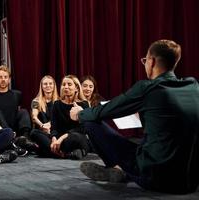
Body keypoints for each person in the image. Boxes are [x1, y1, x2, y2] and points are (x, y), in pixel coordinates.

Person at [70, 39, 199, 194]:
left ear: (151, 62)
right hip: (189, 182)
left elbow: (103, 111)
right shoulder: (193, 86)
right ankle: (123, 171)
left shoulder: (148, 88)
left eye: (145, 60)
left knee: (90, 122)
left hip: (155, 178)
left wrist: (79, 114)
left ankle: (119, 169)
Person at [36, 75, 91, 159]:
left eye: (69, 84)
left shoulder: (84, 104)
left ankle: (52, 151)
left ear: (76, 88)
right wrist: (54, 138)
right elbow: (54, 127)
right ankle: (63, 153)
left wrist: (61, 138)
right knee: (34, 133)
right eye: (63, 84)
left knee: (77, 137)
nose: (66, 87)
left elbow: (82, 128)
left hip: (72, 137)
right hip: (58, 138)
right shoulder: (57, 104)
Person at [0, 65, 36, 151]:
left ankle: (25, 138)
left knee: (23, 111)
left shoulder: (17, 94)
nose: (3, 79)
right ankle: (13, 139)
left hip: (14, 125)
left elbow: (19, 114)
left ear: (9, 79)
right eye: (0, 77)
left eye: (6, 77)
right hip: (0, 128)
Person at [29, 75, 59, 156]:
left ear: (54, 86)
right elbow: (34, 117)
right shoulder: (36, 101)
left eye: (50, 83)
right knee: (33, 133)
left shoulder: (59, 101)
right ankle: (56, 151)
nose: (48, 86)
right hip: (43, 133)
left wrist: (50, 125)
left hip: (55, 133)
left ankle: (48, 151)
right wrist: (42, 126)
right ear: (41, 86)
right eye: (45, 84)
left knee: (41, 150)